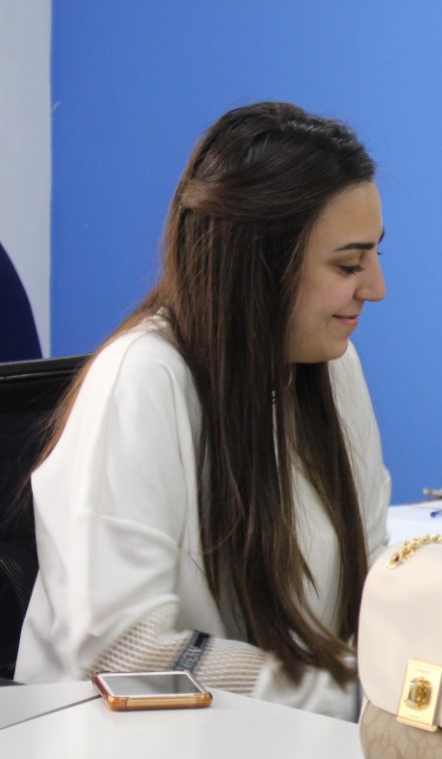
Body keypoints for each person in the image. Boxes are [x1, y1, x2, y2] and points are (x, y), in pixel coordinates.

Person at [17, 102, 390, 718]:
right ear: (258, 264)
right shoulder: (142, 379)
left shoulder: (333, 367)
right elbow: (123, 652)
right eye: (348, 264)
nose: (375, 287)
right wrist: (349, 695)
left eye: (374, 256)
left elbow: (373, 585)